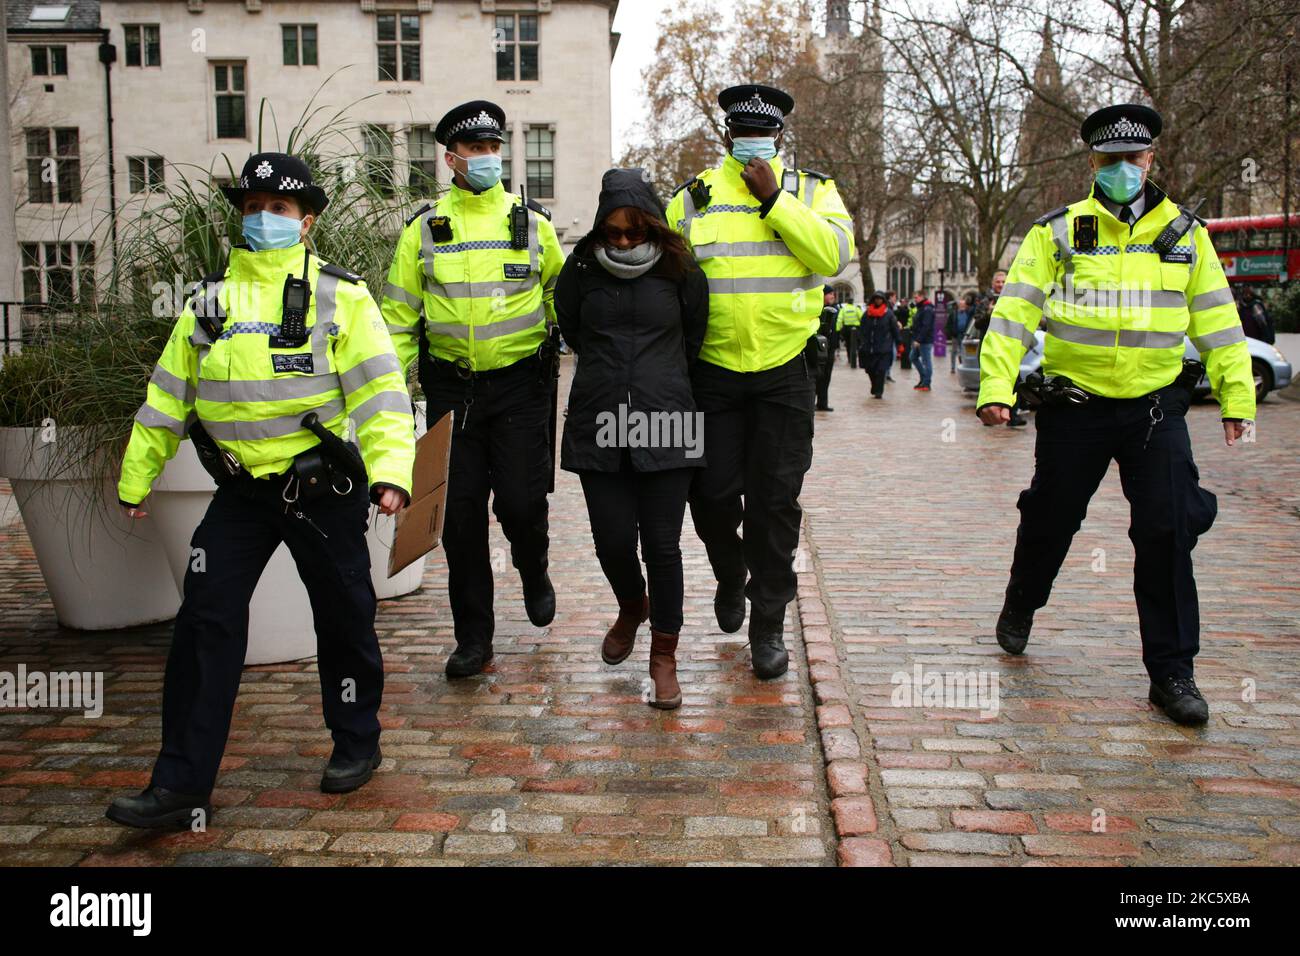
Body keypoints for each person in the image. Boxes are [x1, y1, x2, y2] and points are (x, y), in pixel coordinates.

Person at [107, 153, 416, 827]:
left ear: (306, 223)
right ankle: (180, 786)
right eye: (252, 208)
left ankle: (357, 741)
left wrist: (393, 473)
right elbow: (166, 398)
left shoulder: (342, 296)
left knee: (343, 618)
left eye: (278, 210)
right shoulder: (207, 303)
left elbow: (383, 395)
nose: (263, 219)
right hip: (242, 495)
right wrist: (137, 477)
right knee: (204, 623)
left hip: (322, 490)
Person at [977, 103, 1255, 725]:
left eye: (1134, 158)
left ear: (1151, 160)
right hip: (1076, 406)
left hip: (1155, 408)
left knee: (1167, 532)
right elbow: (1015, 313)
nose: (1123, 169)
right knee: (1051, 519)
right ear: (1092, 163)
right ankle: (1023, 599)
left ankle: (1172, 672)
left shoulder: (1186, 235)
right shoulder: (1057, 232)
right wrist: (996, 386)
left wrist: (1237, 396)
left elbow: (1218, 322)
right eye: (1110, 160)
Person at [665, 83, 855, 679]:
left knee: (776, 503)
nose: (755, 141)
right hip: (713, 375)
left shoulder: (813, 191)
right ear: (726, 134)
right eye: (744, 131)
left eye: (765, 133)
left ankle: (767, 622)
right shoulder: (691, 199)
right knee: (712, 497)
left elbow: (833, 256)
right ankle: (729, 574)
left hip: (783, 371)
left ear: (779, 136)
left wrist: (776, 201)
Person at [381, 101, 565, 679]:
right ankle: (474, 640)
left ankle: (533, 568)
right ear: (450, 158)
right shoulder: (424, 229)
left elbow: (562, 299)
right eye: (475, 149)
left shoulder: (532, 224)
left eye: (493, 147)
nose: (486, 157)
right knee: (459, 518)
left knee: (519, 502)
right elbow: (398, 318)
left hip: (519, 389)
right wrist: (389, 396)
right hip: (451, 392)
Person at [556, 169, 710, 710]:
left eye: (633, 232)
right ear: (600, 229)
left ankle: (664, 657)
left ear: (651, 226)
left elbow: (695, 333)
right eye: (613, 233)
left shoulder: (680, 266)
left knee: (663, 546)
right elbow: (571, 327)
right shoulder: (579, 267)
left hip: (667, 415)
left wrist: (659, 381)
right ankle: (631, 605)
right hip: (601, 417)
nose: (622, 241)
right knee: (612, 540)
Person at [859, 290, 899, 398]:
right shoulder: (867, 313)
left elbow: (895, 329)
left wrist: (899, 343)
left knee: (881, 370)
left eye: (880, 299)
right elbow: (862, 328)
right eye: (876, 298)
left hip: (883, 348)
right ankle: (874, 386)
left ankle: (879, 391)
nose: (878, 300)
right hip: (869, 347)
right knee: (870, 369)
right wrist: (862, 341)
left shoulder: (888, 314)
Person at [816, 285, 840, 411]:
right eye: (829, 294)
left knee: (826, 377)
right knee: (817, 376)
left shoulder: (835, 310)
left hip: (830, 349)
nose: (832, 296)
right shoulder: (817, 309)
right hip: (818, 348)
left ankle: (822, 403)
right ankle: (812, 402)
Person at [909, 288, 935, 390]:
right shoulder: (921, 308)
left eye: (916, 297)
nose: (915, 299)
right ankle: (924, 378)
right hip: (919, 338)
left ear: (922, 297)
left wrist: (918, 340)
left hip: (925, 340)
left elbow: (926, 326)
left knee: (926, 361)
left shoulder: (927, 309)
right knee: (912, 357)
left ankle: (926, 383)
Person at [838, 295, 863, 368]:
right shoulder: (856, 309)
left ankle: (850, 359)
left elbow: (839, 320)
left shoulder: (844, 309)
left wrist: (838, 330)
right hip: (856, 329)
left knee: (848, 345)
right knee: (857, 345)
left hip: (847, 329)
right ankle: (856, 358)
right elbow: (861, 318)